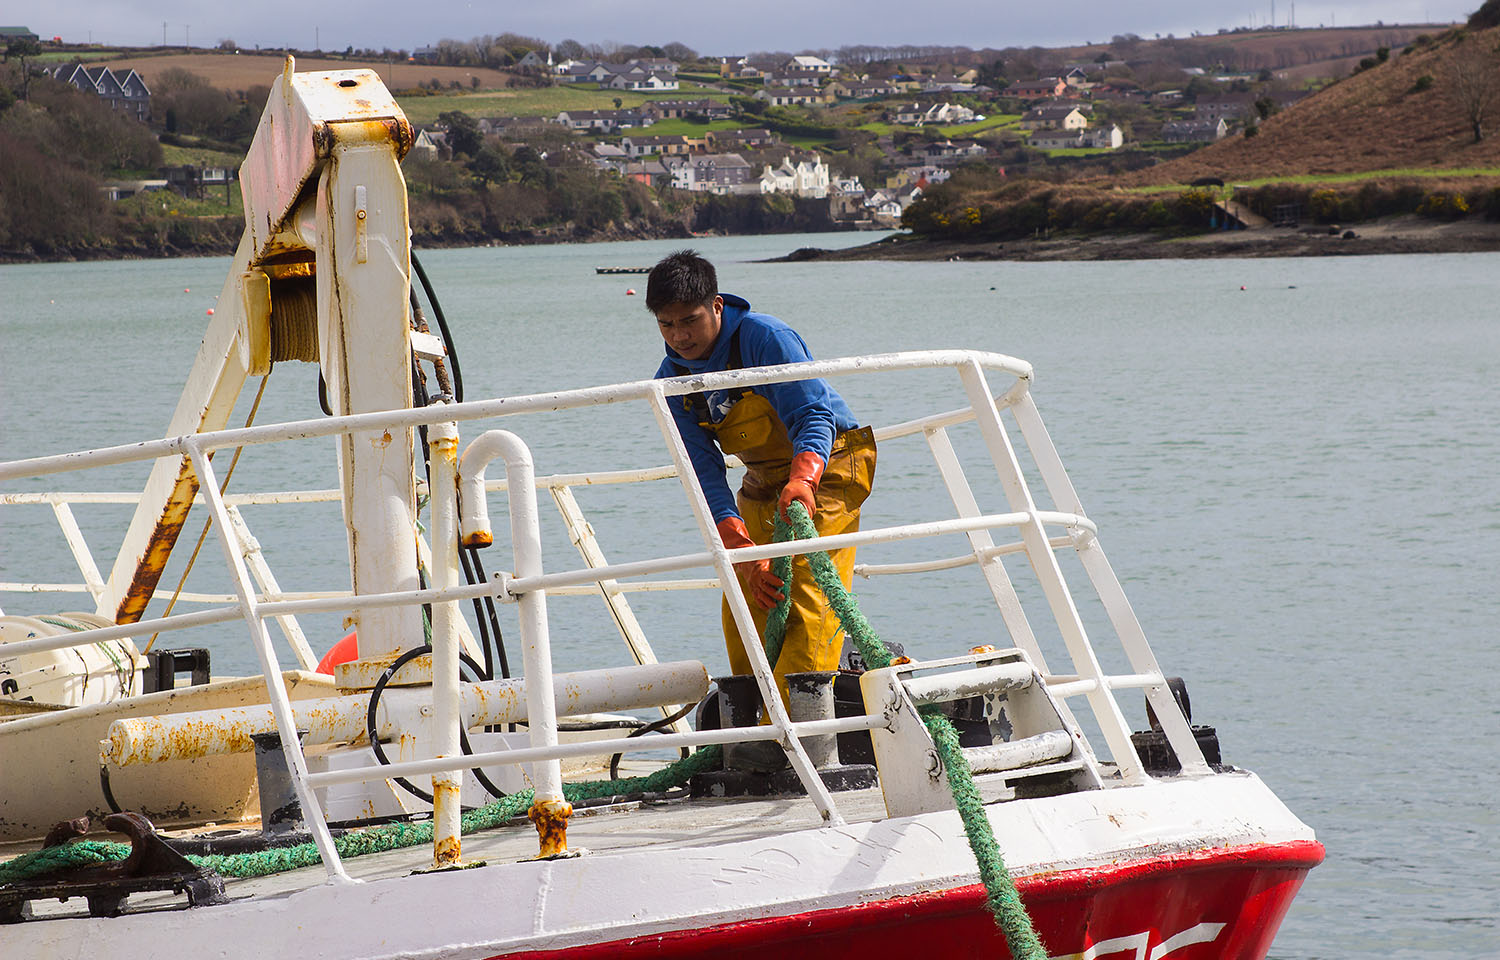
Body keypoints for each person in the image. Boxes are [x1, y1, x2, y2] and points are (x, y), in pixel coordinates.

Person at [647, 250, 876, 723]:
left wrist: (805, 477)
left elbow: (813, 414)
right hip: (763, 479)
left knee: (809, 593)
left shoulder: (766, 338)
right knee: (746, 592)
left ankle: (800, 733)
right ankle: (749, 723)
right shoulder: (670, 381)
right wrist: (738, 542)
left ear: (716, 306)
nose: (680, 336)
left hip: (831, 464)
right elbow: (703, 469)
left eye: (689, 320)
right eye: (666, 325)